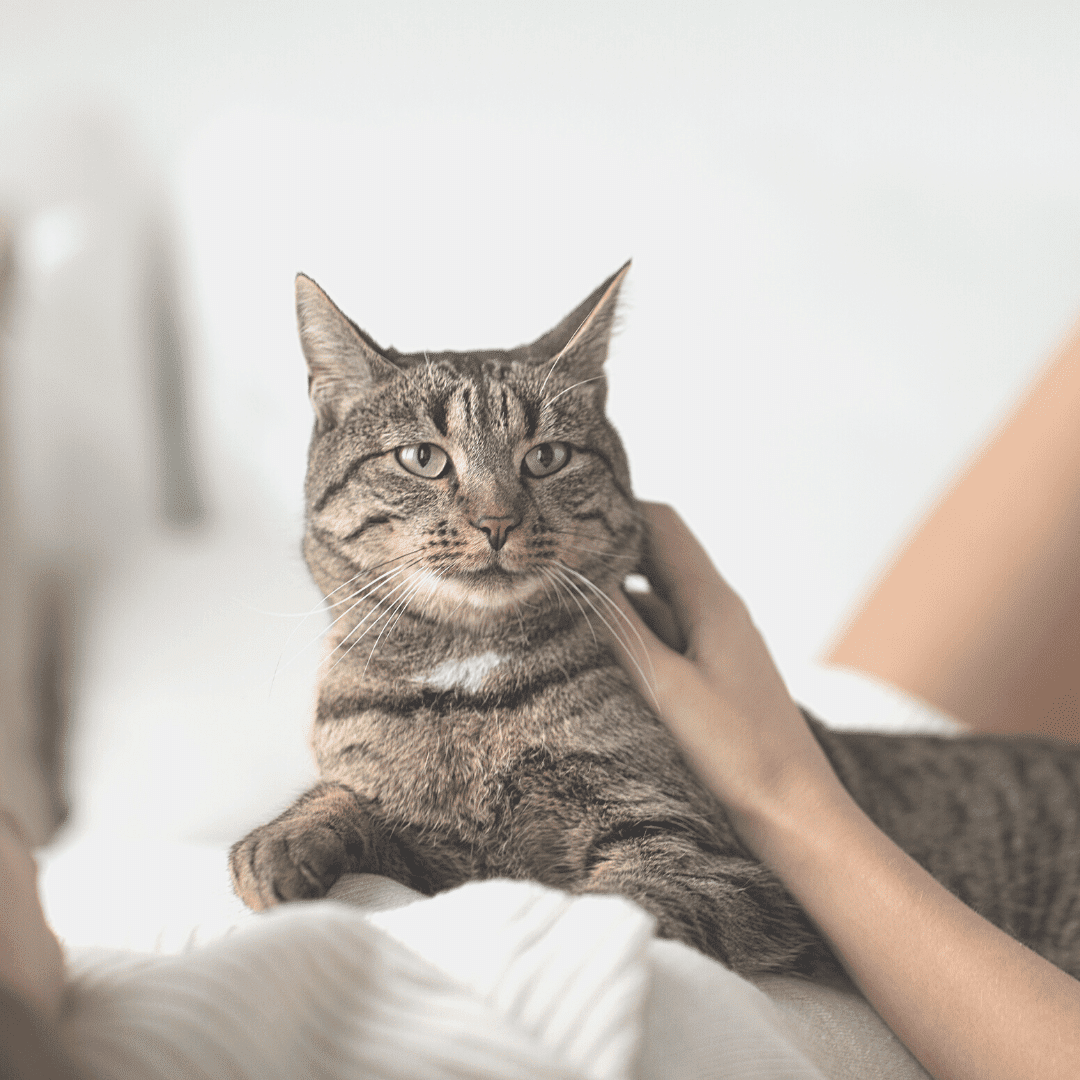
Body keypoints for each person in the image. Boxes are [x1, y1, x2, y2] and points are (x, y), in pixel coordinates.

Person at [4, 322, 1080, 1080]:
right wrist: (344, 815)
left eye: (546, 457)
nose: (490, 509)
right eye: (423, 461)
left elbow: (714, 893)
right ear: (328, 444)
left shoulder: (614, 668)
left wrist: (343, 816)